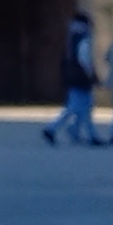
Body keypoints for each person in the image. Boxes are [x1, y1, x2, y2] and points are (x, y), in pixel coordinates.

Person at [42, 10, 98, 146]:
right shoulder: (83, 38)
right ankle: (52, 128)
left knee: (83, 107)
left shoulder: (71, 37)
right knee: (76, 107)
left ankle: (81, 133)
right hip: (81, 78)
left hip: (72, 76)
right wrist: (91, 74)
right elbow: (84, 59)